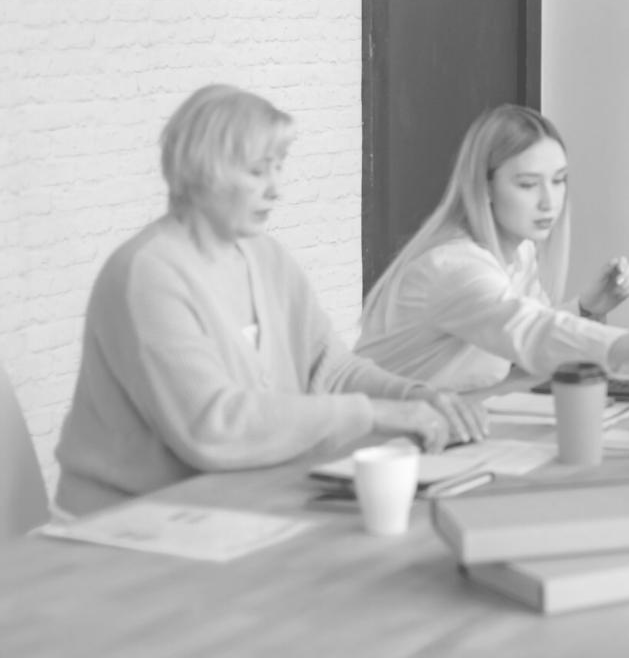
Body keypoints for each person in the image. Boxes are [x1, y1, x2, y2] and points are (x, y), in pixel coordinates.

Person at [54, 85, 486, 517]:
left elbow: (332, 370)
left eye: (278, 168)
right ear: (205, 171)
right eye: (258, 171)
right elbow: (213, 427)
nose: (275, 189)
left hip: (238, 508)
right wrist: (374, 414)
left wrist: (414, 397)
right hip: (128, 522)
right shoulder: (148, 274)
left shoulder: (267, 258)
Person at [357, 104, 629, 392]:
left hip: (448, 423)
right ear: (484, 187)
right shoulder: (454, 268)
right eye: (528, 185)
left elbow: (524, 334)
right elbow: (528, 331)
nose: (549, 201)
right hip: (381, 444)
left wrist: (587, 308)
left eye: (558, 181)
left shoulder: (520, 252)